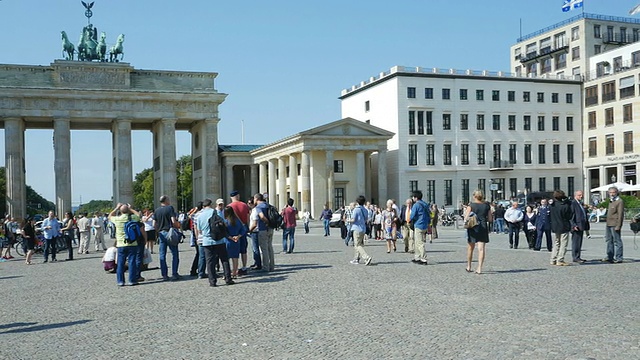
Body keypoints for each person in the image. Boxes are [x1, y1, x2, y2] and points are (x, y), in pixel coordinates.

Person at [197, 198, 234, 287]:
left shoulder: (200, 216)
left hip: (207, 241)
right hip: (219, 240)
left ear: (203, 206)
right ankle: (228, 278)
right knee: (224, 259)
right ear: (212, 204)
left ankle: (212, 281)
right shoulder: (216, 212)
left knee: (210, 262)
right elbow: (224, 224)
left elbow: (200, 230)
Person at [108, 204, 140, 286]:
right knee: (132, 262)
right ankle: (132, 280)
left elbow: (110, 216)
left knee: (120, 263)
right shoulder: (133, 218)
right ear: (128, 210)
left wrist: (116, 208)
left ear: (120, 211)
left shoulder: (117, 219)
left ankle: (120, 281)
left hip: (121, 244)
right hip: (132, 243)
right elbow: (138, 215)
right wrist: (130, 208)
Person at [464, 190, 492, 274]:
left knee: (470, 248)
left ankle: (469, 266)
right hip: (483, 227)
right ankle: (479, 268)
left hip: (473, 227)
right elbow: (490, 219)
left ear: (474, 196)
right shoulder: (487, 206)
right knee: (481, 249)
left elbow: (466, 217)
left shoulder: (471, 205)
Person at [154, 195, 181, 281]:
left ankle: (164, 275)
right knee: (174, 254)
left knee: (162, 255)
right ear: (166, 201)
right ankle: (174, 273)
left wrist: (158, 231)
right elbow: (173, 221)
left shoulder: (156, 210)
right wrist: (178, 226)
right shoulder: (170, 208)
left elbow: (154, 224)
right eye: (168, 199)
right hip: (170, 233)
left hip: (161, 233)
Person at [228, 190, 250, 274]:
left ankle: (233, 269)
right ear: (238, 196)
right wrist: (247, 228)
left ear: (231, 197)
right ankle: (244, 267)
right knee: (243, 250)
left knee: (232, 251)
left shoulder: (229, 206)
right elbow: (248, 217)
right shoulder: (244, 205)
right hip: (242, 230)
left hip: (233, 231)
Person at [549, 190, 573, 266]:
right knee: (563, 244)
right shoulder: (565, 206)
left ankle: (553, 259)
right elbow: (569, 216)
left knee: (556, 243)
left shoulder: (552, 205)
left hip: (555, 226)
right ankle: (560, 259)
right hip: (563, 226)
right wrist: (567, 200)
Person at [252, 193, 275, 272]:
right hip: (271, 229)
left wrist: (266, 222)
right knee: (270, 248)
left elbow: (261, 216)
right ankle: (272, 266)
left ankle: (266, 267)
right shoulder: (268, 205)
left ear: (257, 199)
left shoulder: (258, 207)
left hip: (263, 229)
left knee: (264, 249)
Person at [224, 206, 247, 279]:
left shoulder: (226, 222)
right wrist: (238, 236)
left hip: (228, 241)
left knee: (226, 258)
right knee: (235, 258)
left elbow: (225, 232)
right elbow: (243, 230)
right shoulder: (237, 221)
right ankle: (234, 272)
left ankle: (227, 273)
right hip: (237, 240)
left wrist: (230, 237)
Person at [603, 187, 624, 263]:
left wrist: (619, 225)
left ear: (616, 192)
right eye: (610, 192)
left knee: (617, 241)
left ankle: (619, 257)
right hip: (608, 223)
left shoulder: (619, 201)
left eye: (613, 192)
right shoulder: (611, 201)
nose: (612, 194)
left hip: (615, 224)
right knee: (609, 240)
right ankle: (610, 256)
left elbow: (620, 214)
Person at [349, 195, 372, 265]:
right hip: (363, 228)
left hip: (356, 228)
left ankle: (366, 257)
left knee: (358, 245)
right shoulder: (365, 210)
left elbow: (353, 219)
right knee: (359, 244)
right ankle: (356, 259)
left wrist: (348, 220)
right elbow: (366, 219)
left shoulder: (356, 209)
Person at [409, 190, 431, 265]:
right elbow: (429, 214)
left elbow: (412, 215)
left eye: (413, 197)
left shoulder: (416, 205)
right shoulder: (425, 204)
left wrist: (410, 220)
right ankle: (417, 257)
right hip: (424, 224)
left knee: (420, 242)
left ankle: (423, 258)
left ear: (416, 197)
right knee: (417, 242)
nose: (412, 198)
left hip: (418, 225)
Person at [570, 190, 589, 263]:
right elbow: (571, 216)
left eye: (581, 195)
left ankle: (578, 256)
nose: (581, 196)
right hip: (576, 226)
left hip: (581, 225)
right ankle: (575, 257)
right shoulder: (573, 203)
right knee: (576, 242)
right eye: (579, 195)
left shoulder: (580, 203)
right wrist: (573, 225)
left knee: (579, 242)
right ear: (575, 195)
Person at [247, 198, 261, 270]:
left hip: (255, 231)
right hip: (254, 231)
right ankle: (256, 262)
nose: (248, 204)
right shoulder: (253, 210)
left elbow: (255, 224)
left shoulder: (255, 211)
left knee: (255, 248)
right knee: (254, 248)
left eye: (249, 203)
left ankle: (258, 264)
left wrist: (249, 230)